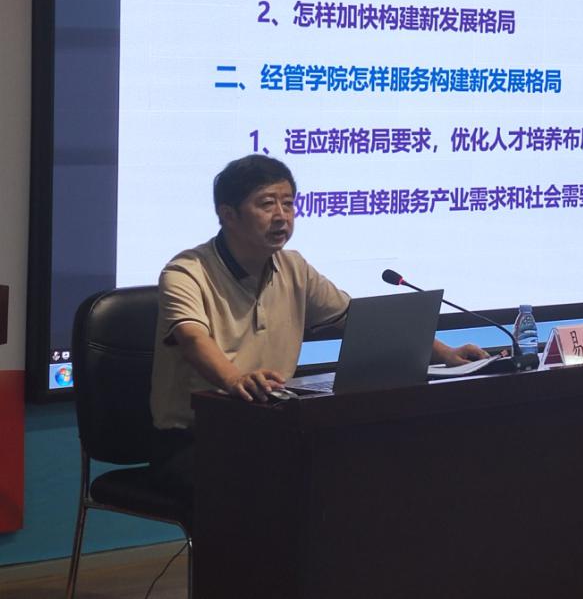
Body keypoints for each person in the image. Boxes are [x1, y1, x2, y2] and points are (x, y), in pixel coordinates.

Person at [148, 154, 486, 504]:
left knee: (370, 464)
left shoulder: (293, 267)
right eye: (267, 204)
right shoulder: (186, 272)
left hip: (270, 427)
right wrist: (235, 380)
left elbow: (362, 321)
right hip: (195, 439)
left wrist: (445, 353)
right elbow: (192, 338)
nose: (282, 215)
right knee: (296, 484)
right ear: (228, 214)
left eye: (288, 203)